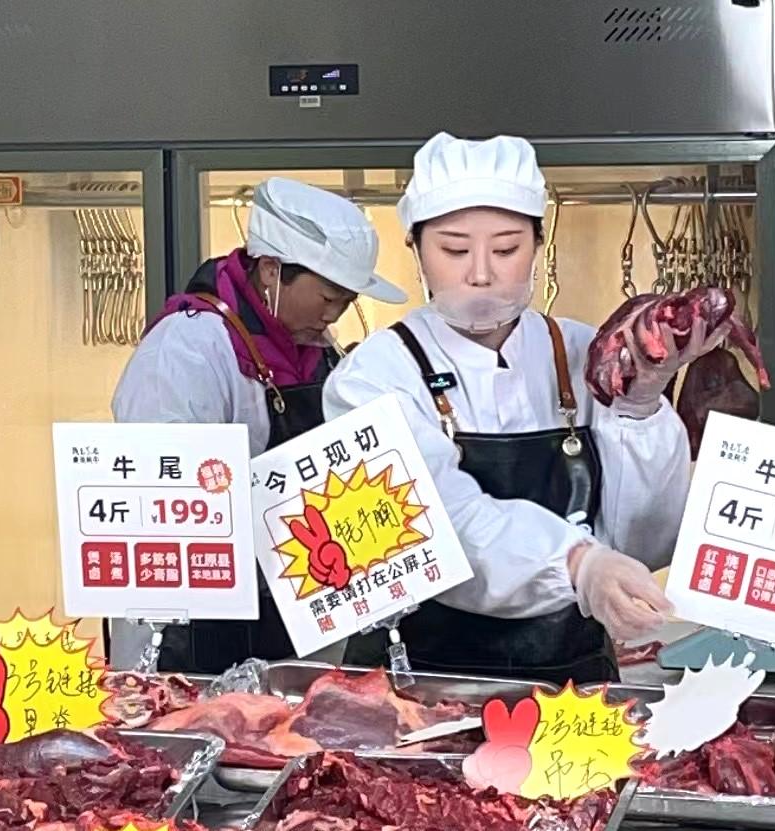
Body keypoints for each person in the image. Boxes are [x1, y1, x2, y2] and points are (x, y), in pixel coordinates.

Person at [324, 133, 716, 684]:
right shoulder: (372, 376)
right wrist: (577, 563)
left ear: (539, 242)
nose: (481, 272)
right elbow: (444, 523)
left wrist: (641, 407)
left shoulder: (588, 353)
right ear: (415, 249)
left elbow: (642, 542)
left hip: (574, 684)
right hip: (416, 688)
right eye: (454, 250)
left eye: (506, 248)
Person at [110, 177, 406, 672]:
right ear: (271, 270)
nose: (334, 315)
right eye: (327, 297)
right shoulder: (188, 349)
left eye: (346, 302)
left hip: (289, 610)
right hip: (195, 628)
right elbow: (164, 504)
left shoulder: (314, 349)